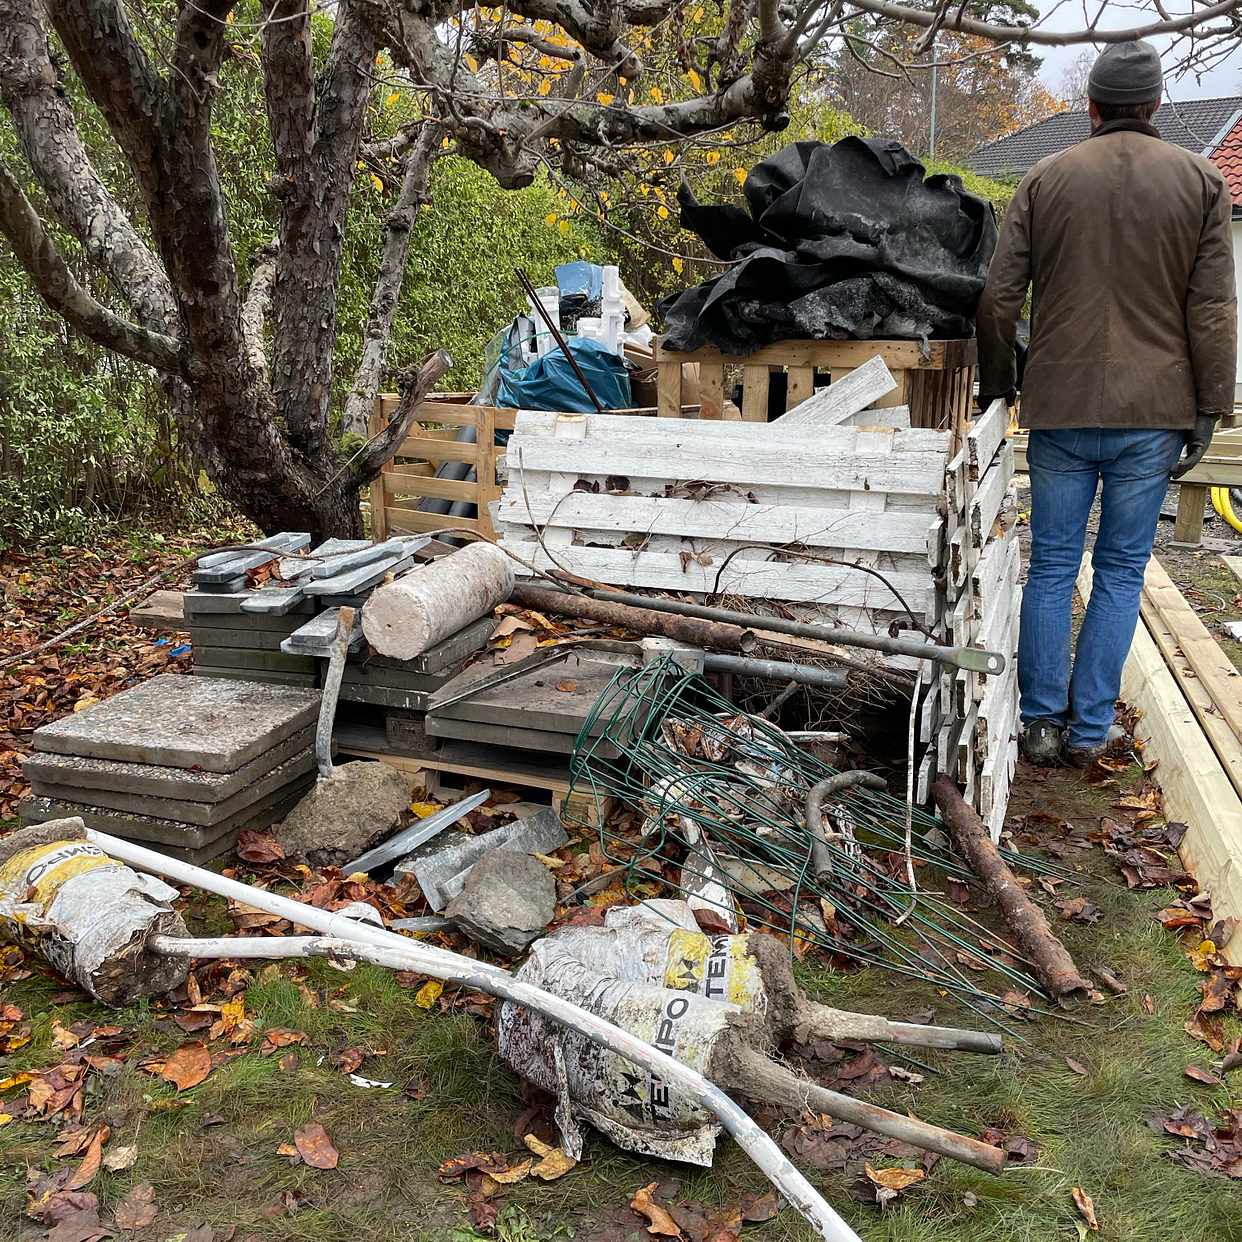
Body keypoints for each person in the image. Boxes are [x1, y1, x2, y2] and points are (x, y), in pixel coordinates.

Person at [977, 39, 1237, 767]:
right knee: (1121, 569)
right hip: (1155, 412)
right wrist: (1210, 406)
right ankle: (1090, 730)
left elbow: (999, 297)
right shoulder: (1202, 181)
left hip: (1059, 404)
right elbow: (1213, 306)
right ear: (1156, 105)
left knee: (1052, 566)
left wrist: (1001, 383)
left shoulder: (1045, 176)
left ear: (1090, 106)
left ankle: (1038, 722)